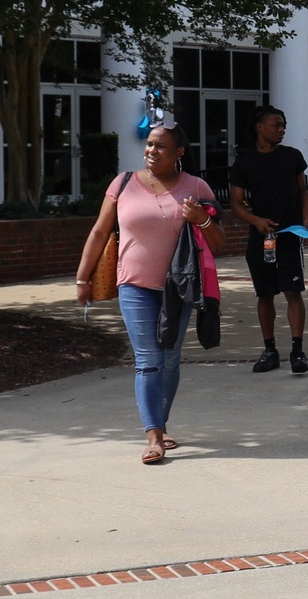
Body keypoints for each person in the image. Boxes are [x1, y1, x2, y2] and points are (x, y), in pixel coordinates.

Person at [73, 122, 225, 464]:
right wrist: (83, 278)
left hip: (179, 288)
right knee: (148, 361)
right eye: (149, 145)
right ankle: (153, 436)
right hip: (134, 286)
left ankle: (162, 422)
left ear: (179, 153)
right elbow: (100, 231)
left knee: (170, 359)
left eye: (160, 146)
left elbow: (217, 241)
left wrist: (200, 218)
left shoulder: (196, 186)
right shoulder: (123, 183)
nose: (151, 151)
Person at [228, 104, 308, 376]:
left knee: (293, 292)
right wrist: (257, 221)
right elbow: (237, 205)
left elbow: (303, 192)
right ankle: (270, 350)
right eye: (276, 124)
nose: (281, 129)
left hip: (289, 236)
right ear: (259, 127)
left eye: (283, 125)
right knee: (264, 294)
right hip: (261, 238)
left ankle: (297, 350)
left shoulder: (292, 157)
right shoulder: (244, 162)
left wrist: (307, 217)